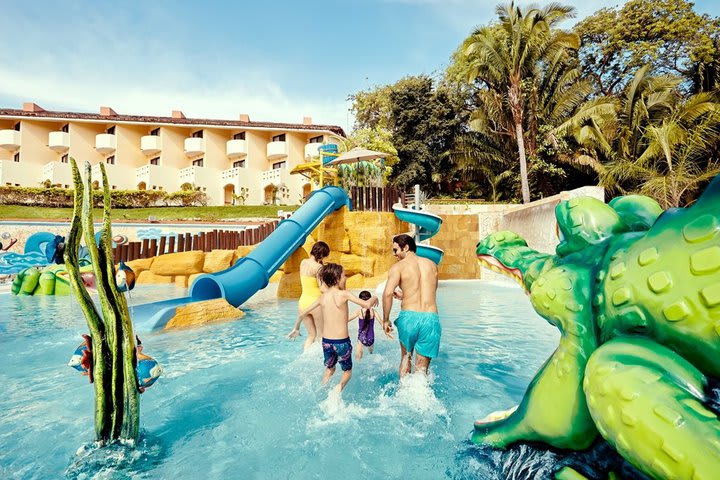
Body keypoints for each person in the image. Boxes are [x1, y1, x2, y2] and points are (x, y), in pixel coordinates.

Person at [288, 263, 378, 392]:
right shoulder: (344, 294)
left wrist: (296, 328)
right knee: (347, 372)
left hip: (326, 343)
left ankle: (321, 389)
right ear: (336, 279)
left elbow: (302, 313)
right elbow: (367, 305)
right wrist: (374, 296)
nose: (346, 278)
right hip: (342, 343)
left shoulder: (322, 297)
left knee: (330, 369)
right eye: (344, 275)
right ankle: (338, 388)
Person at [382, 234, 440, 377]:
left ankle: (403, 393)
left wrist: (385, 319)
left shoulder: (398, 267)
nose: (394, 254)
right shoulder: (432, 265)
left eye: (395, 250)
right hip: (430, 319)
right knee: (422, 369)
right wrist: (405, 296)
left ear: (406, 247)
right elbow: (430, 292)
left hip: (409, 318)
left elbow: (387, 293)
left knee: (405, 358)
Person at [297, 241, 330, 351]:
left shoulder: (303, 262)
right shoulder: (318, 268)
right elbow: (322, 288)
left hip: (303, 302)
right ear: (321, 254)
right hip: (315, 303)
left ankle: (304, 357)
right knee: (321, 335)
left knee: (311, 335)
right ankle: (324, 360)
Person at [348, 290, 387, 360]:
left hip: (361, 338)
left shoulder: (359, 312)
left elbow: (346, 320)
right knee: (371, 357)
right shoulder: (374, 312)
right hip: (371, 338)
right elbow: (382, 323)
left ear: (360, 301)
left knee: (358, 359)